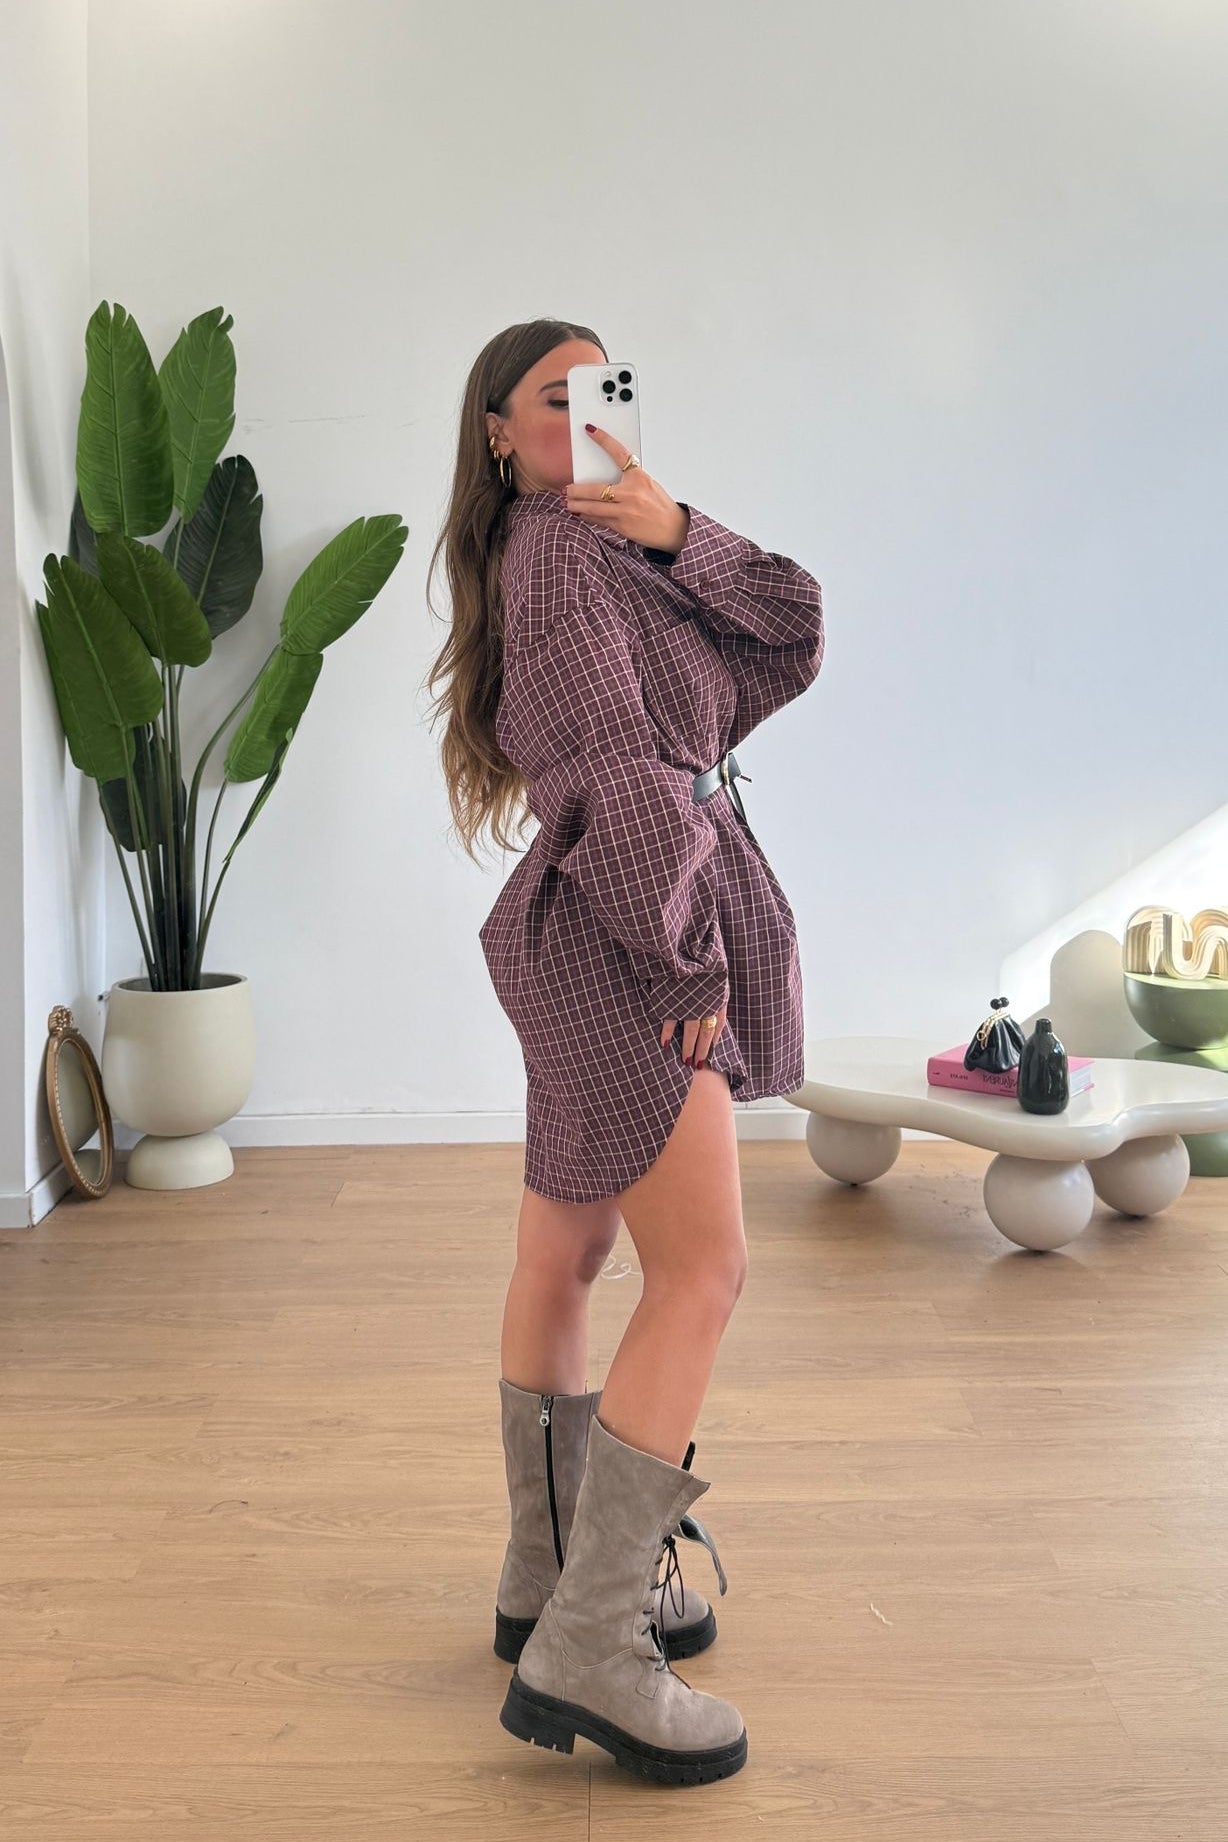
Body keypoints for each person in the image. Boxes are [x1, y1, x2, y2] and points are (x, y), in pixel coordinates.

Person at [425, 318, 825, 1787]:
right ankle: (594, 1639)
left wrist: (675, 528)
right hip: (625, 934)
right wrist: (683, 954)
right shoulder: (556, 559)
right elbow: (613, 768)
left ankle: (547, 1582)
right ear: (496, 430)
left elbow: (791, 629)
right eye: (556, 395)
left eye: (610, 387)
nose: (589, 413)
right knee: (703, 1270)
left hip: (587, 925)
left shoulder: (604, 549)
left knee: (569, 1251)